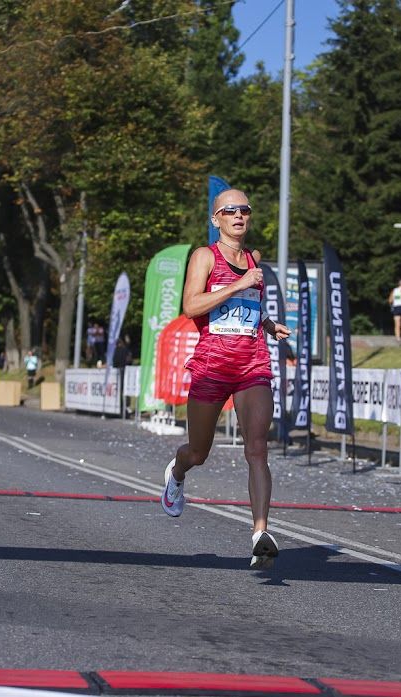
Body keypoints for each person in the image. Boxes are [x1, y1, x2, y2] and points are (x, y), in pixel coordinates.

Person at [160, 188, 291, 570]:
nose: (238, 215)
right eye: (229, 210)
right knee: (199, 452)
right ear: (215, 219)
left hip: (252, 363)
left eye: (244, 210)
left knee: (257, 448)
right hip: (213, 365)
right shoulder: (205, 256)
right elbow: (190, 306)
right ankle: (177, 470)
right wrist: (237, 284)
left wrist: (266, 323)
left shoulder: (255, 259)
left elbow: (247, 306)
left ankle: (260, 535)